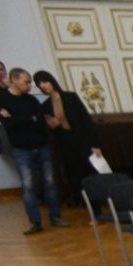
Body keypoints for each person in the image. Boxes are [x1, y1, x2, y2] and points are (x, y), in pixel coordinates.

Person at [0, 70, 63, 233]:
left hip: (41, 146)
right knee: (28, 186)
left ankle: (55, 217)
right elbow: (8, 124)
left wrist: (18, 119)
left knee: (50, 183)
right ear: (14, 80)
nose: (30, 85)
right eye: (26, 82)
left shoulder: (32, 100)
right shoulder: (3, 100)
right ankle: (35, 222)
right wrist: (28, 119)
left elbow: (40, 122)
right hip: (22, 150)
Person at [33, 70, 101, 207]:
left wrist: (94, 144)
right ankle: (83, 201)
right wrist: (51, 125)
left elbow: (85, 120)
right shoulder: (45, 105)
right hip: (65, 142)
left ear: (51, 81)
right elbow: (48, 128)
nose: (43, 86)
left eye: (45, 81)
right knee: (75, 173)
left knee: (90, 171)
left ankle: (97, 202)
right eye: (40, 84)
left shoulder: (70, 97)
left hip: (82, 139)